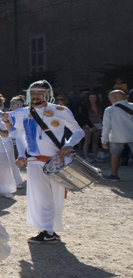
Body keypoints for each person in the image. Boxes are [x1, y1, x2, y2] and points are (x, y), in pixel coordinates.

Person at [11, 80, 83, 243]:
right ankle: (47, 230)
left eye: (40, 93)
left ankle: (49, 231)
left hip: (57, 161)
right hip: (34, 161)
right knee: (40, 196)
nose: (35, 96)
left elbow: (78, 132)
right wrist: (21, 155)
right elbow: (19, 136)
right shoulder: (21, 112)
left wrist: (69, 145)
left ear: (48, 94)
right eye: (33, 93)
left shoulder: (61, 110)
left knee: (55, 196)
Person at [100, 88, 133, 181]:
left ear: (114, 98)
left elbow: (106, 126)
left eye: (110, 98)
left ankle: (114, 175)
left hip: (117, 136)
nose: (109, 100)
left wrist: (104, 140)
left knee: (115, 155)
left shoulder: (109, 110)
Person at [76, 92, 103, 160]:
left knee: (96, 141)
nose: (93, 99)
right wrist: (91, 126)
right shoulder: (85, 106)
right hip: (88, 125)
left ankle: (95, 156)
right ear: (88, 98)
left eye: (94, 97)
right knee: (87, 141)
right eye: (91, 97)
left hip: (99, 124)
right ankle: (86, 156)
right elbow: (85, 117)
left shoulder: (100, 106)